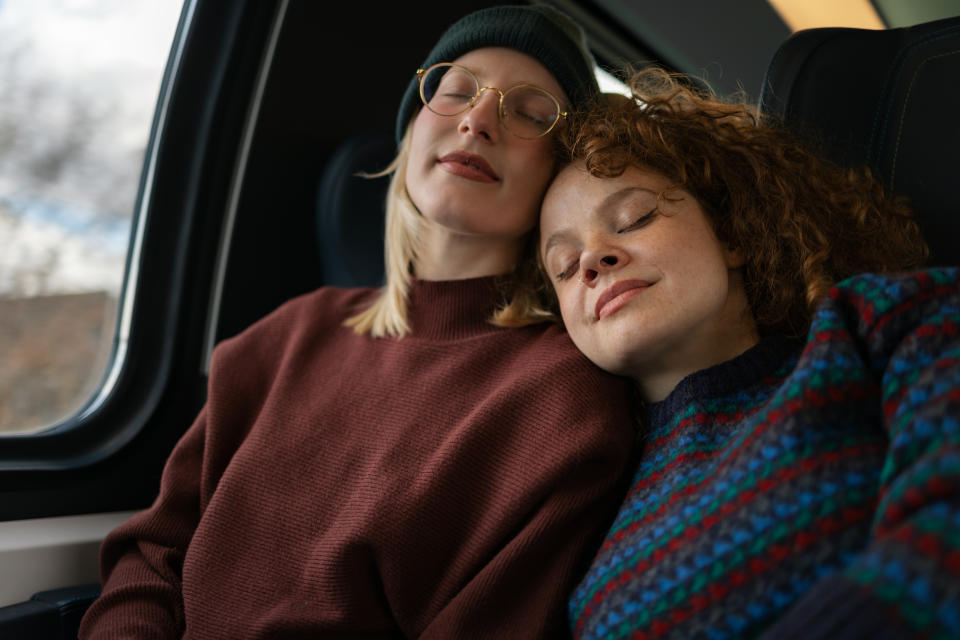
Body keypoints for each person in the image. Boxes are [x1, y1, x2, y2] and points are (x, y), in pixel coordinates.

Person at [79, 6, 637, 639]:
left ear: (559, 174)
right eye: (455, 91)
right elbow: (152, 554)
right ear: (410, 134)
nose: (478, 120)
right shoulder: (286, 338)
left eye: (530, 114)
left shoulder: (564, 401)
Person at [536, 68, 960, 639]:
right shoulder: (585, 510)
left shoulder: (879, 325)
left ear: (729, 235)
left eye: (633, 219)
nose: (591, 261)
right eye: (564, 267)